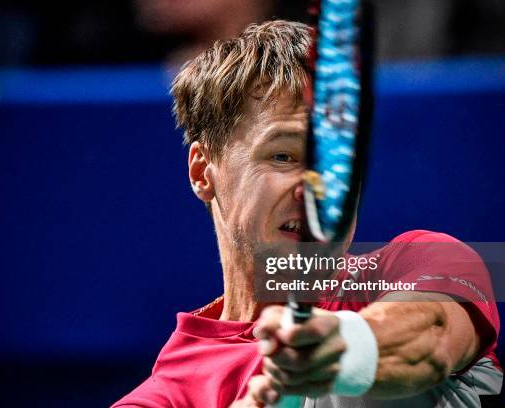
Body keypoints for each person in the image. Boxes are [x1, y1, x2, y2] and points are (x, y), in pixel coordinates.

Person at [112, 20, 502, 408]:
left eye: (336, 164)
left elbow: (430, 340)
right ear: (202, 171)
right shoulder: (163, 397)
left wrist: (342, 348)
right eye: (283, 156)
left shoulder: (427, 259)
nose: (319, 191)